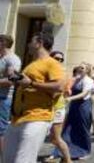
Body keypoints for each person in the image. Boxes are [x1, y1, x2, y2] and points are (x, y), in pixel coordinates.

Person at [3, 32, 65, 163]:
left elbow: (59, 87)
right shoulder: (32, 64)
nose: (28, 44)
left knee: (23, 160)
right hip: (18, 118)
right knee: (8, 159)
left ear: (39, 43)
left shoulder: (52, 63)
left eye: (31, 41)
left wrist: (31, 83)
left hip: (37, 117)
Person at [53, 63, 94, 160]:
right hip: (74, 106)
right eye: (79, 67)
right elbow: (67, 88)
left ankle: (85, 151)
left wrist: (70, 98)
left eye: (82, 68)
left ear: (87, 70)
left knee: (83, 128)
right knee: (69, 128)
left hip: (83, 106)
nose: (80, 69)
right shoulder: (76, 79)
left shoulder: (88, 81)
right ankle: (66, 151)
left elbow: (84, 94)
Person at [44, 51, 72, 163]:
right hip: (49, 106)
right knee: (52, 138)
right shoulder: (49, 71)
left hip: (57, 107)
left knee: (56, 137)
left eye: (61, 59)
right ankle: (65, 159)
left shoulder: (62, 73)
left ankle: (68, 160)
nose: (58, 61)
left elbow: (58, 91)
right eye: (56, 58)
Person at [0, 34, 21, 158]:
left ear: (3, 43)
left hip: (3, 99)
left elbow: (11, 80)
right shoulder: (2, 58)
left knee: (1, 131)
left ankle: (5, 159)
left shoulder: (12, 59)